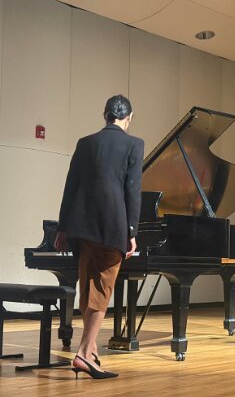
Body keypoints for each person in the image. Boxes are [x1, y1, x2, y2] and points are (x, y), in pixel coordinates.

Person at [54, 95, 144, 379]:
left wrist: (62, 227)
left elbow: (70, 186)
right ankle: (83, 354)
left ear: (105, 115)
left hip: (81, 227)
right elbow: (132, 190)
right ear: (129, 118)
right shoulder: (134, 144)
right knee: (102, 290)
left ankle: (90, 349)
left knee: (88, 287)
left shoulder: (85, 143)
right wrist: (132, 231)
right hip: (111, 225)